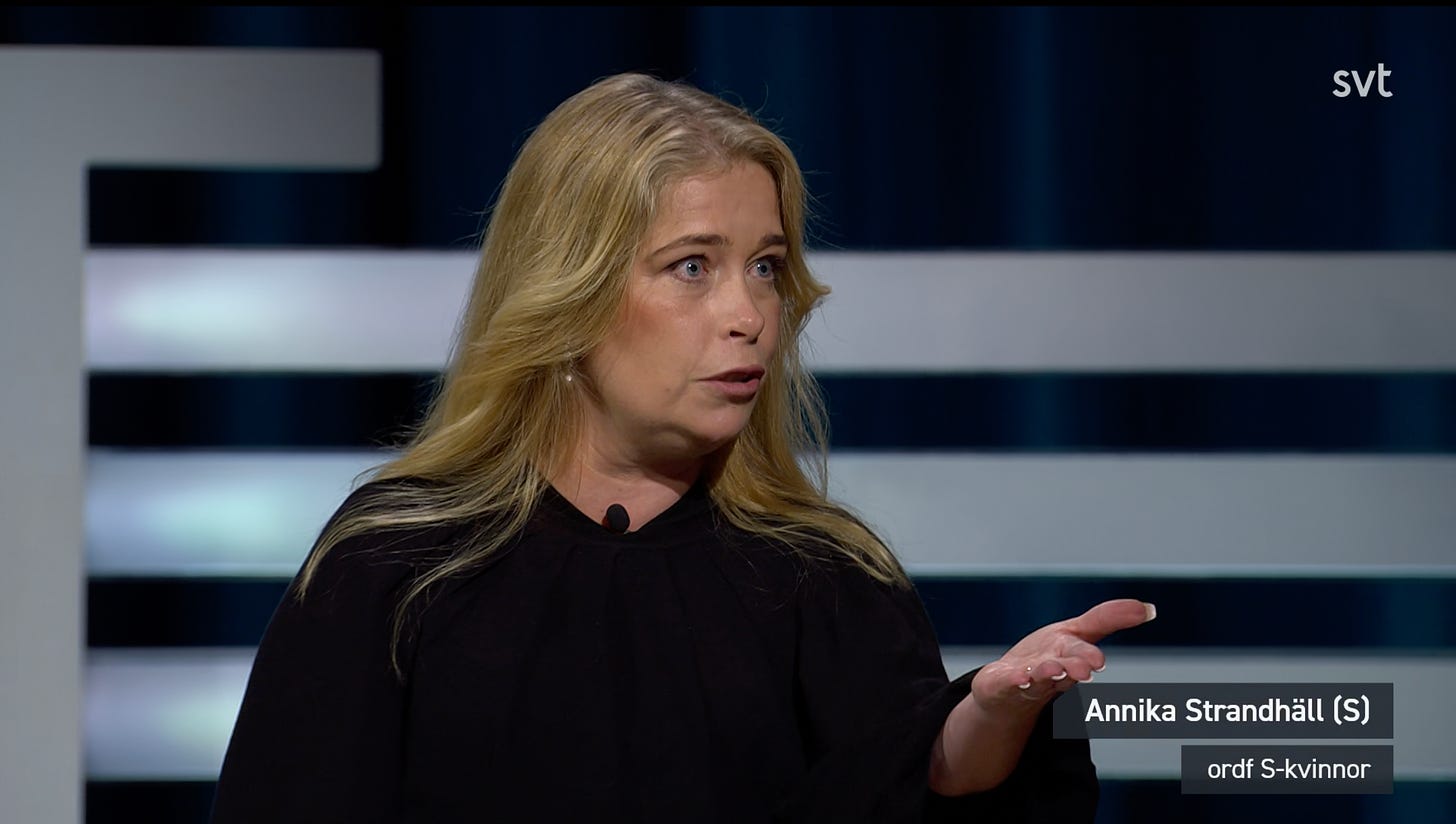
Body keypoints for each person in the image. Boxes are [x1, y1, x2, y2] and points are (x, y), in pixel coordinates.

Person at [210, 72, 1154, 823]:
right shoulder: (396, 563)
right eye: (692, 267)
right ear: (566, 293)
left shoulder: (824, 575)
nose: (749, 315)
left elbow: (905, 783)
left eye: (766, 268)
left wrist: (989, 714)